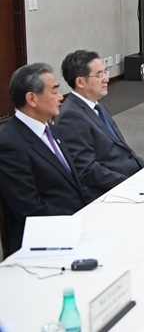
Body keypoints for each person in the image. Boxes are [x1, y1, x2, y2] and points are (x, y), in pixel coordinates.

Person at [0, 63, 89, 254]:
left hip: (75, 222)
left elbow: (75, 183)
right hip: (45, 239)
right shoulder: (10, 145)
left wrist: (96, 209)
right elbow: (30, 209)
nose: (61, 97)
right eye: (54, 91)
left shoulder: (51, 129)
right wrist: (79, 222)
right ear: (32, 99)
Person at [56, 50, 144, 199]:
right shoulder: (71, 116)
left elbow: (123, 149)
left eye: (105, 73)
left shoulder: (98, 106)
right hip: (113, 190)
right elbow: (87, 170)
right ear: (80, 82)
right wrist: (129, 184)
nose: (106, 79)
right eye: (100, 75)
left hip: (132, 175)